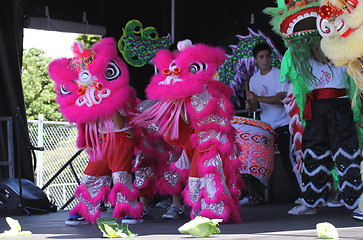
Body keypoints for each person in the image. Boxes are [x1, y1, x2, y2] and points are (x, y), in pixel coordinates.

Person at [48, 38, 143, 225]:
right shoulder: (87, 101)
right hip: (102, 143)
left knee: (120, 176)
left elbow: (121, 122)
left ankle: (128, 211)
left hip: (120, 138)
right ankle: (85, 211)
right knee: (91, 175)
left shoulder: (118, 96)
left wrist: (108, 103)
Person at [287, 39, 363, 217]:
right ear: (311, 50)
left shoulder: (342, 64)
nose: (320, 53)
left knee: (348, 153)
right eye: (316, 49)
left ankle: (357, 202)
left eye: (324, 49)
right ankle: (310, 203)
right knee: (313, 154)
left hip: (341, 110)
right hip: (316, 111)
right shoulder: (307, 64)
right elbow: (294, 52)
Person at [245, 43, 301, 201]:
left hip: (283, 124)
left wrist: (257, 98)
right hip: (265, 127)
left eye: (267, 56)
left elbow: (281, 98)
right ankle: (255, 196)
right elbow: (255, 106)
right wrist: (250, 104)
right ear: (255, 60)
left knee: (288, 161)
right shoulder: (254, 79)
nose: (265, 60)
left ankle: (301, 195)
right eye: (261, 57)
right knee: (258, 162)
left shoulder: (279, 74)